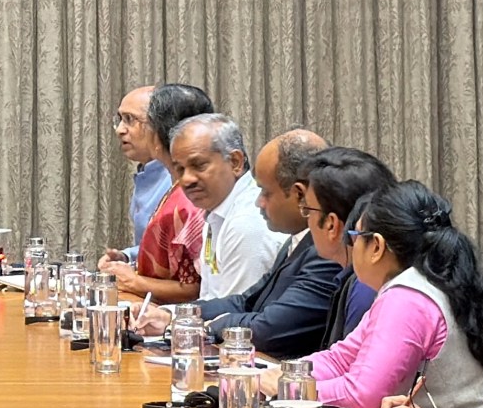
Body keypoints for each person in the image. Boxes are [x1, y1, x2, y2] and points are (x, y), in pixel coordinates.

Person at [261, 181, 483, 408]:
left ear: (377, 246)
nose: (350, 245)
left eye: (355, 236)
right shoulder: (418, 283)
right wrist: (287, 374)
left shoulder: (409, 299)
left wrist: (293, 390)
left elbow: (363, 395)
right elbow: (341, 358)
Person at [134, 130, 339, 358]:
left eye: (266, 192)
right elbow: (246, 301)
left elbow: (270, 328)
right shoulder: (299, 239)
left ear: (301, 195)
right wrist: (174, 315)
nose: (259, 202)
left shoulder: (327, 252)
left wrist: (200, 328)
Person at [98, 83, 213, 303]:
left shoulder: (193, 194)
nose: (119, 129)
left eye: (131, 120)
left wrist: (133, 281)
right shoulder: (170, 181)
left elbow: (197, 287)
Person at [170, 114, 286, 298]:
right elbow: (209, 298)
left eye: (198, 165)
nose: (186, 179)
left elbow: (237, 315)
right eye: (180, 169)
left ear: (235, 162)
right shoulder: (217, 210)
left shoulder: (247, 222)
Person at [295, 148, 394, 347]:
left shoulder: (366, 288)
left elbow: (356, 373)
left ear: (331, 224)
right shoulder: (361, 277)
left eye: (308, 210)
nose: (307, 221)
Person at [100, 86, 172, 267]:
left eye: (129, 120)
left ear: (158, 125)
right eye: (120, 120)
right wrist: (127, 256)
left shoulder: (176, 176)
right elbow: (154, 247)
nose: (120, 130)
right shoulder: (146, 172)